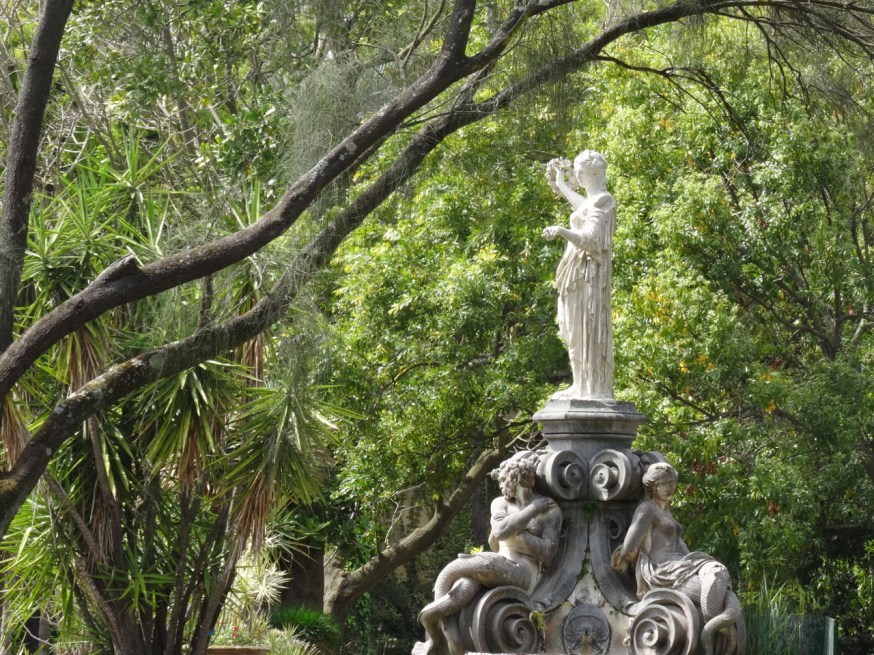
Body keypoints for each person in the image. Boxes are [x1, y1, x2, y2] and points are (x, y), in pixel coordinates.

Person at [412, 452, 562, 655]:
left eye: (503, 479)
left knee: (478, 566)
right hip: (500, 562)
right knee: (462, 586)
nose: (500, 484)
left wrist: (517, 532)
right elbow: (499, 532)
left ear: (516, 477)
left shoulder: (549, 510)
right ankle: (448, 642)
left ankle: (429, 622)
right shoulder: (501, 503)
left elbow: (547, 552)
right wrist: (530, 512)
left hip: (524, 572)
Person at [612, 462, 745, 655]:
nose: (668, 488)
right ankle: (720, 636)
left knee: (718, 573)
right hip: (665, 572)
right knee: (713, 593)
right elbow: (627, 550)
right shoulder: (647, 509)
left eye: (671, 483)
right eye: (663, 484)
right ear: (653, 486)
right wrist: (644, 560)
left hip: (684, 565)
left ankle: (719, 634)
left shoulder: (666, 510)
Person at [542, 150, 615, 400]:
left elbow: (592, 241)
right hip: (576, 276)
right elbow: (582, 207)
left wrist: (562, 231)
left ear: (595, 172)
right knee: (572, 329)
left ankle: (590, 387)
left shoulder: (604, 201)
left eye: (581, 171)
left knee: (584, 328)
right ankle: (579, 383)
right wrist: (562, 185)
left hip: (587, 276)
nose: (578, 175)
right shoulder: (592, 202)